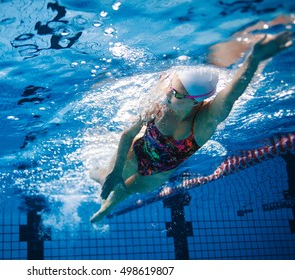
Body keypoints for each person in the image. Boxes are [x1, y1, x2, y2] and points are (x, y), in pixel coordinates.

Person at [90, 30, 293, 223]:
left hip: (157, 175)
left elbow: (231, 94)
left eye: (176, 94)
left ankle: (106, 208)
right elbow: (129, 133)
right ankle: (98, 175)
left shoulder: (203, 124)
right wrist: (115, 171)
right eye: (171, 88)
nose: (167, 95)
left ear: (195, 101)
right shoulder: (163, 101)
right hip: (135, 152)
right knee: (107, 177)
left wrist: (254, 59)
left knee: (125, 190)